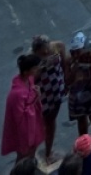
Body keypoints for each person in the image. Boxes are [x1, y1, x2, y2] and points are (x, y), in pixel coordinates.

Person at [32, 35, 69, 165]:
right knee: (39, 125)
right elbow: (30, 80)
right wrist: (40, 68)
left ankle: (48, 153)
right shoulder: (32, 59)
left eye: (48, 49)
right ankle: (30, 155)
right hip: (42, 95)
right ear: (36, 52)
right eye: (43, 53)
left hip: (57, 91)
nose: (47, 53)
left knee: (51, 122)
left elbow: (65, 65)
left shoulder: (59, 46)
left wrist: (66, 83)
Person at [2, 53, 45, 163]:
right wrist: (35, 96)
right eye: (35, 68)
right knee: (23, 156)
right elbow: (20, 118)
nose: (38, 70)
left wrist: (35, 96)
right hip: (23, 130)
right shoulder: (17, 94)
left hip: (32, 124)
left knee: (32, 152)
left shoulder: (29, 79)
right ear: (26, 71)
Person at [66, 32, 91, 135]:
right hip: (77, 96)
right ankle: (84, 141)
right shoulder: (70, 61)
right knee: (81, 120)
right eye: (73, 52)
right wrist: (75, 69)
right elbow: (67, 81)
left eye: (78, 51)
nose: (76, 54)